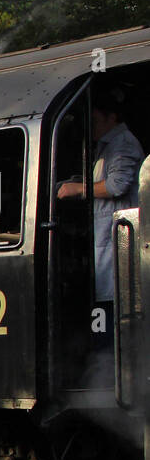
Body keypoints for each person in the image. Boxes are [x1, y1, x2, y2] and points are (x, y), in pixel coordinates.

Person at [56, 86, 145, 303]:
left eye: (95, 120)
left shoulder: (122, 143)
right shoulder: (108, 146)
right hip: (107, 241)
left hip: (118, 243)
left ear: (112, 117)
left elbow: (117, 185)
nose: (91, 126)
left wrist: (77, 189)